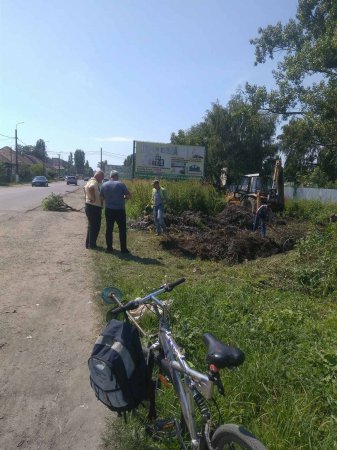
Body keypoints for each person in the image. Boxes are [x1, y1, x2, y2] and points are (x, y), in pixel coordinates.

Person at [100, 170, 131, 253]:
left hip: (109, 210)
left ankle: (109, 248)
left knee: (109, 229)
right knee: (122, 230)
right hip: (120, 210)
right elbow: (128, 196)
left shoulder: (104, 185)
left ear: (110, 176)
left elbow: (102, 198)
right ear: (117, 176)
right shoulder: (121, 184)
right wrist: (123, 197)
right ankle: (123, 249)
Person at [84, 169, 105, 249]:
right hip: (94, 207)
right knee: (95, 227)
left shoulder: (90, 180)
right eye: (102, 178)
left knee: (91, 226)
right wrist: (93, 198)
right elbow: (90, 187)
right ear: (98, 176)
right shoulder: (94, 182)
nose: (102, 179)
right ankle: (92, 245)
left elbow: (84, 188)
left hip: (89, 206)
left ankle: (89, 244)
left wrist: (87, 197)